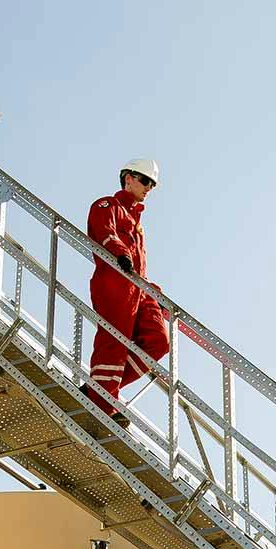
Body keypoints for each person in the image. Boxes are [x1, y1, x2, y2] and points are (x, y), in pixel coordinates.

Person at [83, 157, 169, 426]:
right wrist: (120, 252)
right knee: (114, 343)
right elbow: (105, 232)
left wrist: (153, 292)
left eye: (152, 184)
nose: (148, 188)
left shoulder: (137, 221)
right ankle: (103, 402)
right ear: (128, 178)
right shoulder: (107, 204)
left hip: (137, 288)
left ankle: (100, 389)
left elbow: (139, 267)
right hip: (114, 281)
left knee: (158, 341)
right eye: (145, 181)